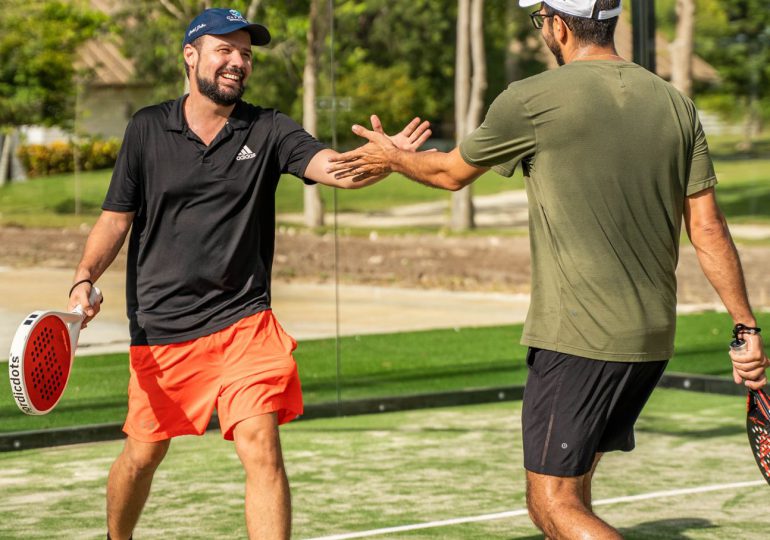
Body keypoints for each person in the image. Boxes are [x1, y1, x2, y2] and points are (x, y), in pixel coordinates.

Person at [325, 0, 769, 537]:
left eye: (539, 20)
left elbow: (449, 173)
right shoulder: (676, 103)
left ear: (558, 25)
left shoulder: (532, 99)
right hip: (651, 338)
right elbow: (708, 228)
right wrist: (745, 326)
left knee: (552, 505)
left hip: (578, 337)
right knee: (574, 489)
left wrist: (394, 158)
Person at [68, 8, 431, 540]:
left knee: (261, 448)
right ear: (190, 56)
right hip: (163, 331)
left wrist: (389, 160)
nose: (237, 62)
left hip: (244, 323)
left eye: (245, 54)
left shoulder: (268, 128)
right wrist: (83, 276)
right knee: (142, 457)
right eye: (225, 50)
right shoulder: (147, 126)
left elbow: (333, 169)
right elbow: (116, 217)